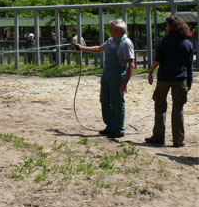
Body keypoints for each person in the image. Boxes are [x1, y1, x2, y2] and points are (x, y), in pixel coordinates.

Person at [74, 19, 135, 138]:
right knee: (105, 101)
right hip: (107, 76)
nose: (109, 30)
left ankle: (117, 129)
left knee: (117, 102)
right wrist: (81, 48)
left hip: (117, 77)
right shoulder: (111, 41)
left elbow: (131, 64)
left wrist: (125, 81)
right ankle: (110, 126)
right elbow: (98, 49)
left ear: (117, 30)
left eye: (111, 28)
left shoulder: (126, 43)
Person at [145, 16, 193, 147]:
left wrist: (150, 71)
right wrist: (190, 81)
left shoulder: (165, 41)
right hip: (180, 79)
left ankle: (158, 137)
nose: (165, 27)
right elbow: (189, 65)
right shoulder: (187, 43)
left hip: (164, 79)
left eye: (167, 25)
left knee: (160, 107)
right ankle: (178, 140)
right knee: (178, 109)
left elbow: (158, 59)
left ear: (171, 27)